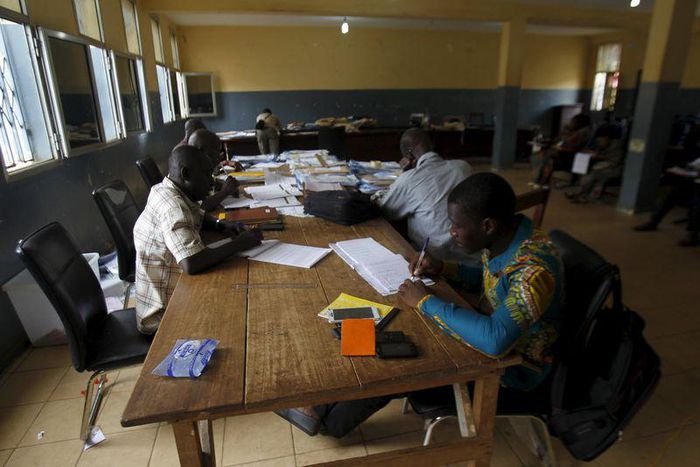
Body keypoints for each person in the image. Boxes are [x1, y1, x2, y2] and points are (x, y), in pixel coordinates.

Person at [276, 173, 563, 438]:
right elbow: (493, 283)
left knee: (402, 358)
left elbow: (495, 341)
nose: (451, 232)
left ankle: (328, 422)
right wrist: (444, 268)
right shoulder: (507, 238)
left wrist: (426, 301)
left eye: (457, 226)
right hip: (489, 333)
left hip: (513, 372)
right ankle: (321, 404)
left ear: (488, 225)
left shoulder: (532, 270)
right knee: (394, 330)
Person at [133, 145, 262, 334]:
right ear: (186, 173)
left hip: (174, 291)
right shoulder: (173, 207)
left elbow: (197, 215)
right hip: (162, 315)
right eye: (207, 175)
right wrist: (241, 243)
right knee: (244, 310)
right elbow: (192, 262)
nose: (211, 182)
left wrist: (220, 225)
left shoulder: (167, 189)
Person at [375, 128, 474, 262]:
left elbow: (385, 210)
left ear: (409, 156)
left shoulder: (409, 179)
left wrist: (404, 176)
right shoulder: (463, 167)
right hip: (472, 254)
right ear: (432, 145)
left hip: (436, 259)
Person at [634, 158, 700, 247]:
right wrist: (689, 168)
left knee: (697, 203)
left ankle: (692, 234)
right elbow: (693, 165)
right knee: (672, 194)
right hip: (694, 180)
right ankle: (654, 221)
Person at [565, 125, 625, 203]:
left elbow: (615, 161)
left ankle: (586, 196)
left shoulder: (617, 145)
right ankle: (580, 190)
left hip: (615, 168)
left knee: (595, 175)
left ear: (607, 138)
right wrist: (590, 152)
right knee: (582, 163)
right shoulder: (604, 145)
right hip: (604, 165)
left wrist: (597, 155)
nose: (599, 142)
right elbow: (599, 153)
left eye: (600, 140)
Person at [530, 114, 592, 187]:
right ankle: (540, 178)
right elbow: (560, 140)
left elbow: (568, 142)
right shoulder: (575, 131)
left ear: (578, 123)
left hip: (568, 152)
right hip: (562, 149)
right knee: (540, 154)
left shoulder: (581, 132)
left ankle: (539, 178)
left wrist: (565, 132)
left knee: (541, 156)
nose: (571, 123)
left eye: (573, 122)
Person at [188, 129, 241, 212]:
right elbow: (197, 208)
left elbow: (209, 183)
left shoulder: (200, 166)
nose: (218, 158)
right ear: (201, 151)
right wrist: (225, 192)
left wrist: (221, 185)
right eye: (214, 153)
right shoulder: (188, 172)